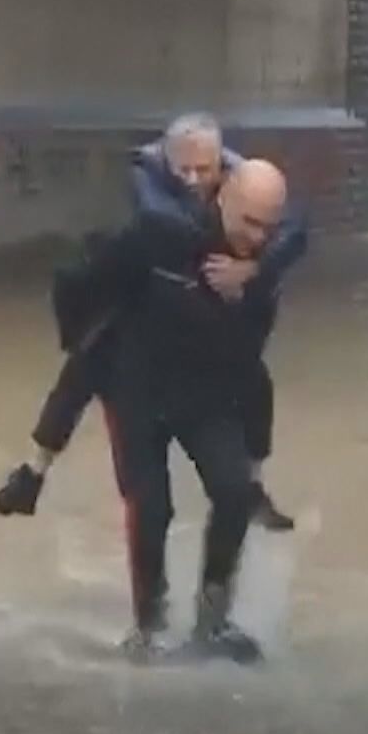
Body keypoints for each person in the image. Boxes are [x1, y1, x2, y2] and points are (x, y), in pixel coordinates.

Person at [0, 112, 305, 530]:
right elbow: (155, 229)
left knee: (255, 382)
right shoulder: (145, 178)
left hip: (211, 303)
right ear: (166, 162)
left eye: (203, 170)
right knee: (83, 368)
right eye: (183, 169)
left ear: (221, 166)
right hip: (141, 292)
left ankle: (254, 487)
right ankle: (32, 474)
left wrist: (254, 268)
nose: (192, 179)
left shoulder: (242, 178)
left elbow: (295, 228)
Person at [84, 159, 294, 662]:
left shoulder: (265, 262)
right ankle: (148, 626)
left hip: (204, 393)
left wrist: (252, 280)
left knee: (235, 492)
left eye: (269, 228)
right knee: (152, 506)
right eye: (250, 222)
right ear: (223, 198)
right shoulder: (167, 232)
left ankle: (213, 619)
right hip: (138, 390)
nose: (258, 237)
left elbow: (250, 358)